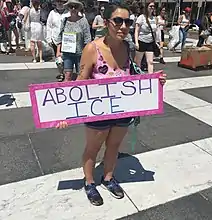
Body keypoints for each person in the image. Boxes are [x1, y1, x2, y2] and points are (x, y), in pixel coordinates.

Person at [56, 3, 166, 206]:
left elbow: (132, 76)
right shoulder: (92, 49)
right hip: (97, 111)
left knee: (114, 146)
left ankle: (108, 177)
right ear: (107, 23)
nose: (123, 26)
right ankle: (89, 182)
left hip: (121, 110)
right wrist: (64, 112)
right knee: (93, 148)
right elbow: (80, 81)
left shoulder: (127, 47)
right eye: (118, 21)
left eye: (128, 22)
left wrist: (153, 82)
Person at [56, 0, 91, 81]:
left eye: (76, 7)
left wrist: (87, 54)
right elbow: (60, 36)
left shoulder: (83, 21)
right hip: (67, 53)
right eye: (71, 7)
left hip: (80, 54)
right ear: (68, 8)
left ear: (78, 9)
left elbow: (87, 38)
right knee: (67, 75)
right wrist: (58, 51)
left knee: (82, 76)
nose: (73, 8)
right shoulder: (65, 20)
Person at [46, 0, 69, 81]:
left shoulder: (68, 13)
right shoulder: (52, 13)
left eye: (62, 2)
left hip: (67, 40)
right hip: (55, 39)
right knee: (58, 60)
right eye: (58, 1)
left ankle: (67, 73)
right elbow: (49, 26)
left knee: (66, 58)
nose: (60, 3)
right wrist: (48, 38)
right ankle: (61, 73)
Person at [134, 0, 157, 73]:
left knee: (150, 62)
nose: (152, 8)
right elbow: (136, 30)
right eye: (150, 6)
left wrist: (156, 42)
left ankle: (151, 78)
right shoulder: (141, 17)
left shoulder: (154, 18)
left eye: (153, 6)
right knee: (138, 62)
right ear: (147, 7)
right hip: (142, 41)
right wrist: (136, 42)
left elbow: (154, 32)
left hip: (150, 42)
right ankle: (138, 76)